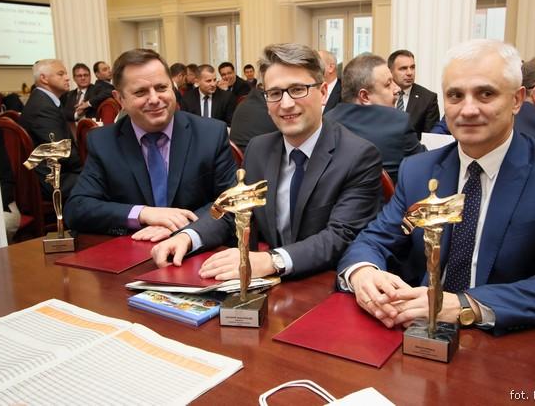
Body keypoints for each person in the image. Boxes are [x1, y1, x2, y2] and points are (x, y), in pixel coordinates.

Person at [338, 39, 535, 335]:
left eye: (486, 94)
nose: (468, 110)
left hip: (504, 339)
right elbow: (373, 240)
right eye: (455, 95)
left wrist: (464, 305)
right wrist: (363, 273)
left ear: (517, 100)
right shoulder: (419, 170)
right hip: (418, 332)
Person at [152, 43, 382, 280]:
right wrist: (188, 236)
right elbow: (234, 211)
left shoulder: (357, 155)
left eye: (298, 89)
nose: (286, 104)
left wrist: (272, 260)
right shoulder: (259, 149)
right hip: (267, 284)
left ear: (323, 92)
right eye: (274, 93)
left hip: (322, 282)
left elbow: (341, 236)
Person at [64, 49, 237, 239]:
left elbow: (230, 202)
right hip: (133, 247)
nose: (154, 99)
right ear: (120, 99)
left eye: (161, 88)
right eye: (140, 92)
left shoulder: (210, 134)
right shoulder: (104, 142)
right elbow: (77, 208)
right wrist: (142, 214)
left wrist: (186, 231)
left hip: (196, 248)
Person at [325, 53, 423, 182]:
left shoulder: (326, 122)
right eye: (388, 84)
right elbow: (425, 166)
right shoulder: (398, 122)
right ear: (365, 96)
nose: (397, 89)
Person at [19, 59, 82, 200]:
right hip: (52, 179)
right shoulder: (43, 107)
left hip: (53, 172)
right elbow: (61, 151)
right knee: (104, 180)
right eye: (61, 74)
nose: (67, 78)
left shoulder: (42, 100)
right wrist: (89, 169)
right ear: (44, 78)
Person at [388, 49, 440, 136]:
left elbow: (430, 137)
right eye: (403, 68)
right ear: (390, 71)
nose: (410, 73)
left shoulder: (428, 99)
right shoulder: (380, 94)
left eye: (412, 67)